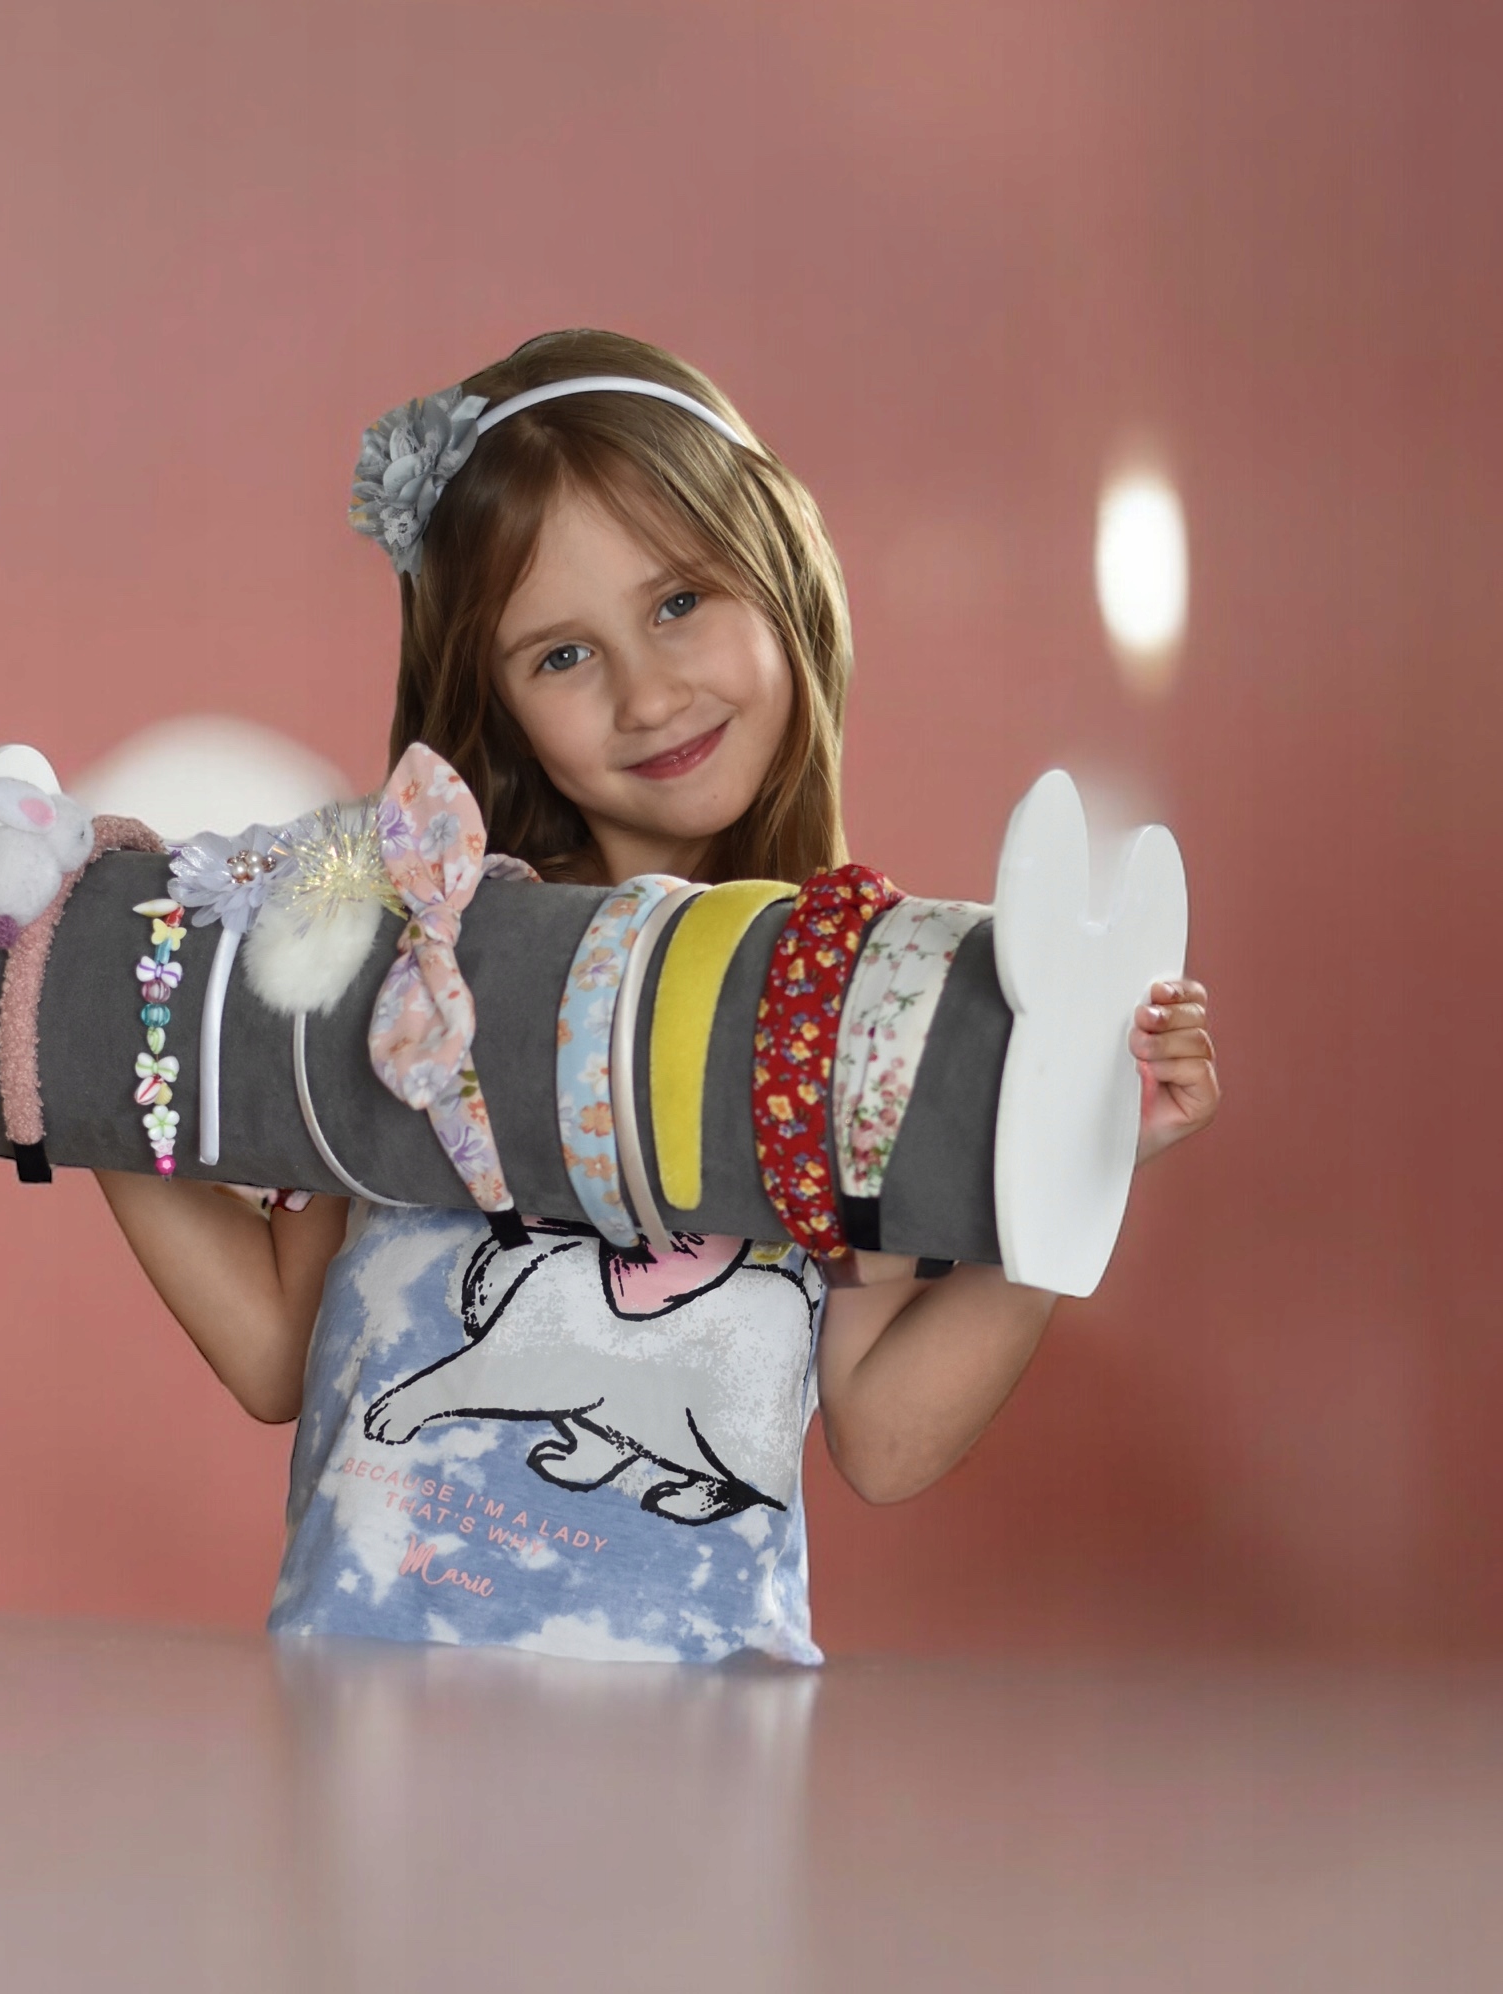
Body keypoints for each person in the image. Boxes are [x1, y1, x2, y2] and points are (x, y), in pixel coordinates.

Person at [96, 329, 1220, 1664]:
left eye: (680, 600)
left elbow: (882, 1432)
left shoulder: (852, 1003)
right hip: (376, 1688)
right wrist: (84, 1062)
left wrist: (1076, 1159)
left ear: (780, 574)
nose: (647, 693)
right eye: (560, 656)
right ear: (494, 703)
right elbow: (281, 1347)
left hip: (702, 1719)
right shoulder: (421, 953)